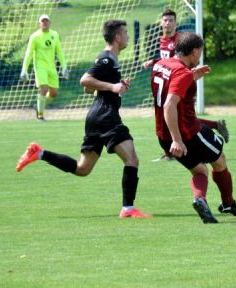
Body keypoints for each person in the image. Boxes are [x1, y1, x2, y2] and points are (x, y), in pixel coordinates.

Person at [16, 19, 152, 219]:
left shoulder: (110, 60)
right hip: (106, 116)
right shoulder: (106, 58)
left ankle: (40, 153)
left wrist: (116, 85)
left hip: (96, 116)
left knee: (82, 169)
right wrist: (113, 87)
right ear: (118, 37)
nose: (128, 37)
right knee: (131, 159)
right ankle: (128, 209)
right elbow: (85, 80)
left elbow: (90, 88)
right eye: (126, 33)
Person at [151, 32, 236, 223]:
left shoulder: (161, 64)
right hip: (187, 134)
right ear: (194, 52)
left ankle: (199, 199)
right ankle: (228, 203)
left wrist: (191, 76)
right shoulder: (182, 73)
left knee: (200, 171)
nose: (199, 57)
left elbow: (171, 84)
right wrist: (178, 139)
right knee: (219, 161)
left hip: (163, 134)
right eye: (200, 52)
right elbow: (169, 105)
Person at [144, 8, 230, 161]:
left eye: (171, 20)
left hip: (178, 80)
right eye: (165, 20)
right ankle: (213, 127)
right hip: (172, 79)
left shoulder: (180, 41)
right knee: (178, 115)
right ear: (160, 23)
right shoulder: (161, 41)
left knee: (180, 115)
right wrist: (154, 62)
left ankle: (175, 146)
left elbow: (178, 62)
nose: (168, 23)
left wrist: (188, 74)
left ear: (176, 23)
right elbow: (170, 62)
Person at [20, 14, 68, 121]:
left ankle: (38, 105)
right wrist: (24, 69)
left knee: (54, 93)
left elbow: (59, 51)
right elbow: (29, 53)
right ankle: (40, 115)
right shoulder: (35, 36)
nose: (45, 23)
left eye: (46, 21)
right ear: (39, 24)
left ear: (50, 23)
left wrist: (64, 66)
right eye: (43, 21)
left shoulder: (55, 35)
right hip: (40, 66)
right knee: (44, 89)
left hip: (52, 67)